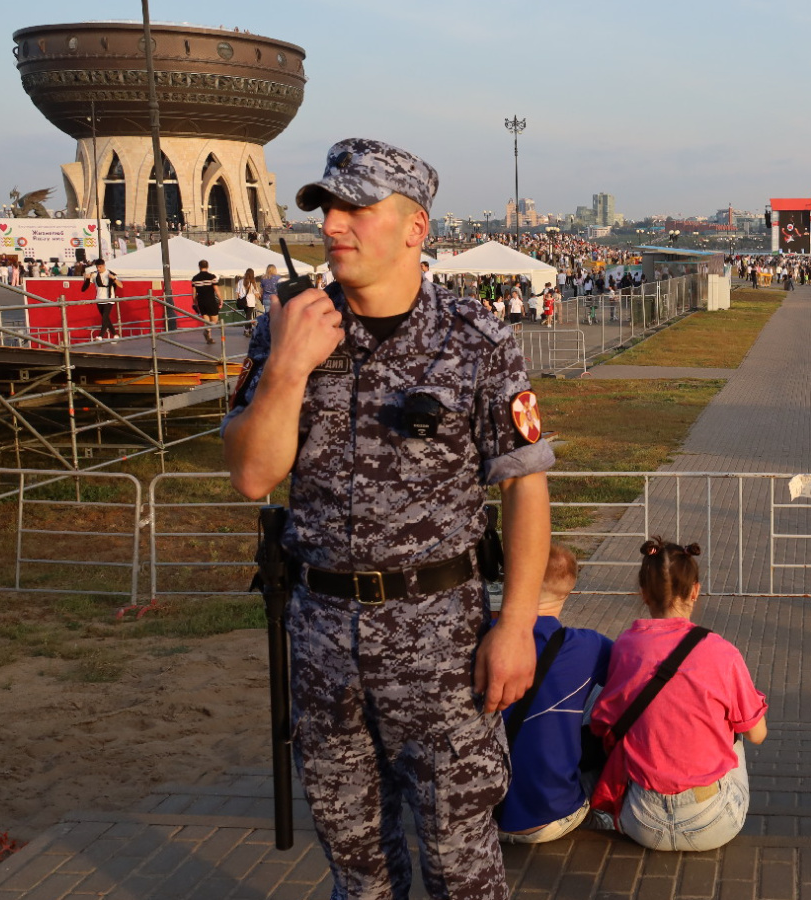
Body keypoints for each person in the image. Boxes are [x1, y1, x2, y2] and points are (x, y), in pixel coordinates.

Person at [221, 138, 554, 900]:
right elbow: (251, 474)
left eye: (356, 209)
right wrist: (288, 368)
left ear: (414, 228)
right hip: (323, 644)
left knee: (460, 867)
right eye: (327, 208)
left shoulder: (475, 338)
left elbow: (525, 485)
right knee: (358, 871)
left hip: (441, 645)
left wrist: (516, 626)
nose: (333, 225)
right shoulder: (288, 329)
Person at [590, 538, 769, 852]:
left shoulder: (625, 648)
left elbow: (601, 723)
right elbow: (758, 735)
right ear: (695, 591)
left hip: (641, 822)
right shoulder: (722, 652)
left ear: (644, 594)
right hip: (715, 823)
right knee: (738, 729)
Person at [496, 544, 613, 844]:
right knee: (604, 702)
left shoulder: (484, 637)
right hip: (552, 819)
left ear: (516, 579)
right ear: (570, 589)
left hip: (485, 817)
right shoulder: (590, 646)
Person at [81, 258, 121, 340]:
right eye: (97, 267)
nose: (98, 269)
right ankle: (115, 334)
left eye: (100, 267)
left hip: (109, 299)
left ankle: (100, 336)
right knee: (106, 318)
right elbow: (84, 288)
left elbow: (121, 285)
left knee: (105, 317)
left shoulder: (110, 274)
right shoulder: (94, 275)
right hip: (99, 299)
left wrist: (114, 278)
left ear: (104, 266)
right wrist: (88, 279)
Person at [191, 260, 221, 343]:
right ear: (207, 266)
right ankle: (207, 330)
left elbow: (194, 293)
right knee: (215, 320)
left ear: (199, 267)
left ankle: (209, 338)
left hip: (201, 301)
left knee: (206, 320)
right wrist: (221, 300)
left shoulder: (195, 278)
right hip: (210, 300)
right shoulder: (212, 277)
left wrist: (195, 303)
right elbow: (217, 290)